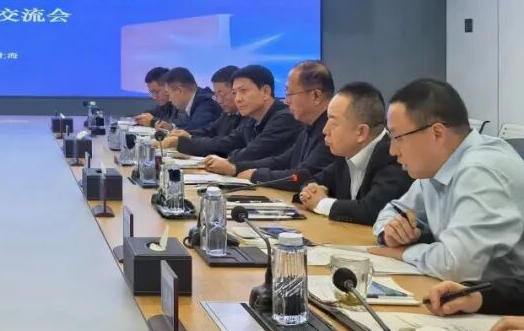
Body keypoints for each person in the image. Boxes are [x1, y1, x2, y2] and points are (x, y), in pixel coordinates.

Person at [371, 78, 524, 281]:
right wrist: (390, 233)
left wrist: (404, 252)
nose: (392, 150)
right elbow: (393, 210)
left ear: (437, 133)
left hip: (503, 298)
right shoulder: (435, 169)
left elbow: (457, 265)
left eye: (398, 137)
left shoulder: (481, 170)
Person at [204, 60, 335, 188]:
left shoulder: (331, 131)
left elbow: (303, 176)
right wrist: (237, 168)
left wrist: (255, 175)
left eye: (290, 94)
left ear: (316, 96)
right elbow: (283, 160)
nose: (286, 101)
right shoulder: (309, 127)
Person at [296, 82, 412, 225]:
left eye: (333, 123)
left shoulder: (393, 156)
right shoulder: (347, 154)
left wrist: (321, 203)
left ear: (361, 132)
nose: (325, 130)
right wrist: (312, 191)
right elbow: (312, 181)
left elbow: (374, 210)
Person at [163, 64, 301, 164]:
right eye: (234, 93)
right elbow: (229, 142)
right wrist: (184, 141)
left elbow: (253, 152)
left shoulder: (284, 118)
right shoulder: (252, 120)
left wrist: (227, 161)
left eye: (243, 91)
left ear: (265, 91)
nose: (238, 99)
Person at [168, 65, 242, 140]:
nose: (219, 101)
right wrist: (181, 134)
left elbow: (225, 143)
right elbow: (209, 131)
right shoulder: (227, 115)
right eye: (216, 95)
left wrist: (189, 138)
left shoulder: (206, 101)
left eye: (222, 94)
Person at [160, 67, 221, 134]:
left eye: (169, 94)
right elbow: (190, 126)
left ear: (179, 90)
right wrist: (171, 127)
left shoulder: (206, 103)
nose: (169, 100)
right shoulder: (197, 99)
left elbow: (195, 131)